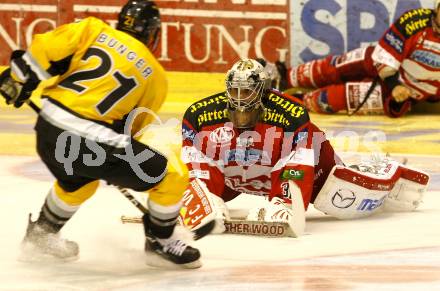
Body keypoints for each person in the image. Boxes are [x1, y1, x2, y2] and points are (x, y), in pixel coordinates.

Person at [0, 0, 203, 268]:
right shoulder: (155, 76)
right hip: (89, 143)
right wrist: (111, 164)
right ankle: (161, 242)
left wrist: (19, 78)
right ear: (154, 33)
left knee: (79, 180)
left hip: (48, 131)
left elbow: (45, 48)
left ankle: (42, 236)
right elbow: (131, 131)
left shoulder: (94, 29)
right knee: (170, 176)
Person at [176, 59, 430, 235]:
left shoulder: (290, 115)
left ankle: (383, 172)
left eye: (248, 91)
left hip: (315, 170)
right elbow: (195, 163)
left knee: (342, 202)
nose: (241, 98)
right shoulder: (200, 115)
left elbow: (297, 166)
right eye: (235, 90)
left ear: (263, 91)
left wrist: (285, 202)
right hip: (241, 175)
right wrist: (203, 199)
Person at [274, 3, 440, 117]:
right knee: (338, 66)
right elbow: (385, 55)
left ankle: (294, 103)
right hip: (385, 66)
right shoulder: (414, 21)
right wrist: (394, 84)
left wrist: (403, 93)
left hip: (409, 92)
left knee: (336, 99)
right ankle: (286, 78)